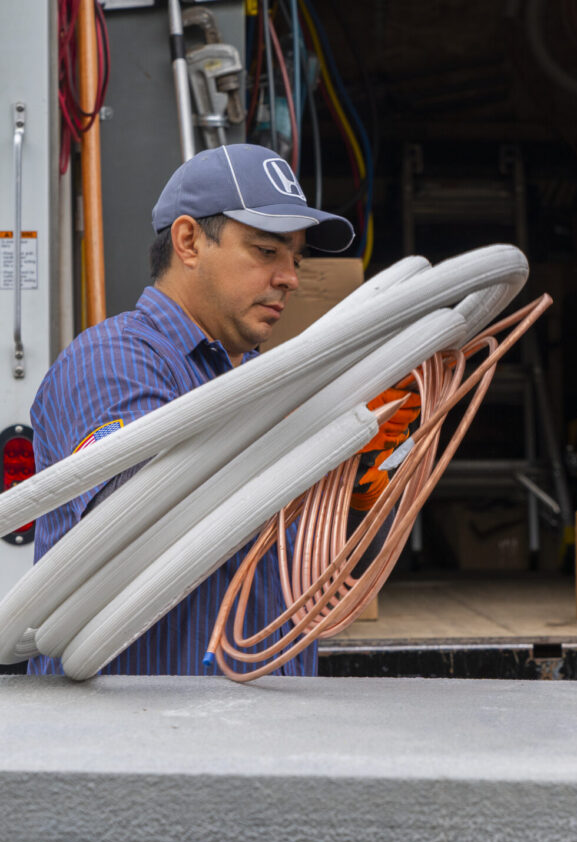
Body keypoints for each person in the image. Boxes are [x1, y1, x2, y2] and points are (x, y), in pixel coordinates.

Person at [28, 144, 355, 677]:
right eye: (267, 251)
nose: (291, 278)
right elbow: (143, 518)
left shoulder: (262, 383)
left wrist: (353, 464)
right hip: (136, 741)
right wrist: (315, 448)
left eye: (295, 259)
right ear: (188, 242)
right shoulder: (114, 361)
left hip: (265, 736)